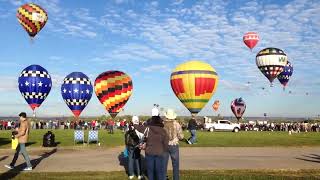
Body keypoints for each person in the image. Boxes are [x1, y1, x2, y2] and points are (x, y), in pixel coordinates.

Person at [144, 116, 168, 180]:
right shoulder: (163, 131)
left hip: (149, 151)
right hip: (159, 152)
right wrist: (164, 150)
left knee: (150, 171)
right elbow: (166, 143)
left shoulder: (148, 130)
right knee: (159, 171)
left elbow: (144, 139)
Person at [163, 109, 184, 180]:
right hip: (174, 145)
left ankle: (164, 177)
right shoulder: (177, 124)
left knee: (164, 164)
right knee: (175, 164)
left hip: (164, 145)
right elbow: (181, 136)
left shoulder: (162, 124)